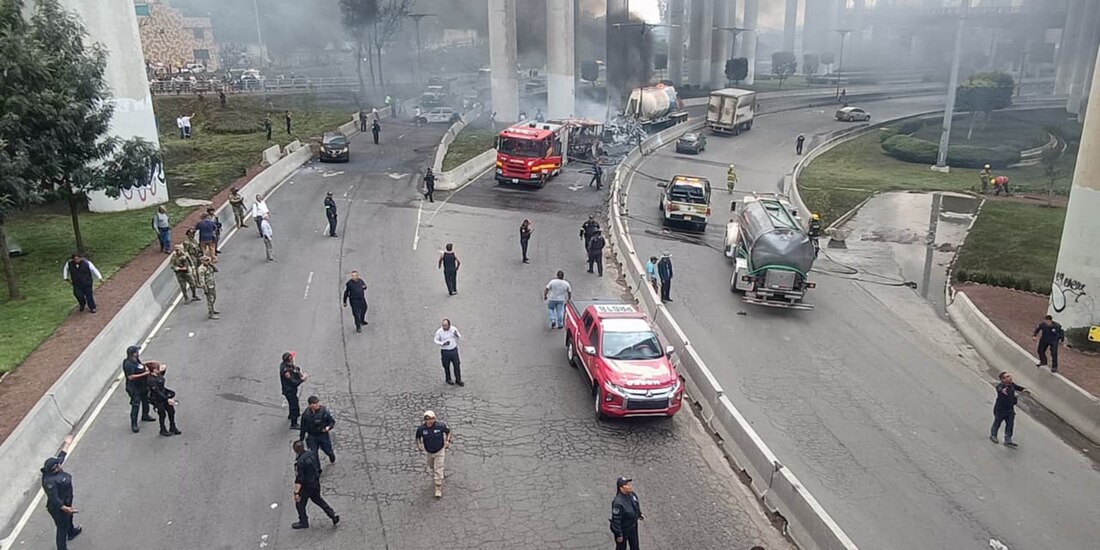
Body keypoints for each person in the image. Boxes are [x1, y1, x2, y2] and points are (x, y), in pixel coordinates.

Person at [41, 434, 82, 550]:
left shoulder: (53, 470)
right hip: (58, 508)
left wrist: (67, 444)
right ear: (55, 468)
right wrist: (65, 508)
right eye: (58, 465)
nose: (60, 465)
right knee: (61, 527)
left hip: (66, 501)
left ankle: (72, 532)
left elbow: (61, 456)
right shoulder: (49, 482)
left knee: (69, 518)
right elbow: (54, 498)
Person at [291, 440, 339, 530]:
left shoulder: (300, 462)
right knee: (319, 500)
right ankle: (332, 514)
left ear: (295, 450)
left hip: (306, 487)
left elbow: (300, 479)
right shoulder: (310, 454)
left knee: (299, 504)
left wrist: (296, 492)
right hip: (315, 483)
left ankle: (303, 521)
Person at [416, 410, 453, 499]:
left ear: (434, 419)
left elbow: (448, 432)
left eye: (431, 419)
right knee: (431, 465)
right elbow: (417, 438)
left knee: (438, 468)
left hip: (439, 450)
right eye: (427, 419)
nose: (429, 421)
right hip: (429, 451)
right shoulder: (421, 429)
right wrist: (419, 445)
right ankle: (436, 473)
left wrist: (447, 441)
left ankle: (438, 487)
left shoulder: (440, 426)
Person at [990, 371, 1029, 447]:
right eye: (1007, 377)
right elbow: (999, 389)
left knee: (1010, 424)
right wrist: (1002, 391)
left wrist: (1024, 389)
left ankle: (1008, 439)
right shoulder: (1000, 386)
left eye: (1010, 376)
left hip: (1010, 409)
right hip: (1000, 409)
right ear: (1003, 379)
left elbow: (1018, 387)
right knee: (997, 422)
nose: (1010, 378)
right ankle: (993, 435)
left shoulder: (1012, 385)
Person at [122, 345, 156, 433]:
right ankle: (134, 424)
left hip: (143, 385)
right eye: (137, 351)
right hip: (134, 388)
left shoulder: (136, 360)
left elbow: (140, 365)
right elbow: (131, 377)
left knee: (145, 401)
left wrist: (147, 364)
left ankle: (145, 415)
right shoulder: (128, 364)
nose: (138, 353)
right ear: (133, 354)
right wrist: (144, 374)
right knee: (136, 405)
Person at [145, 362, 181, 436]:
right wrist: (167, 399)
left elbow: (162, 388)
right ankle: (162, 429)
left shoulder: (158, 375)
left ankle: (172, 426)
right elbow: (157, 391)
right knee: (162, 414)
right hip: (157, 399)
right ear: (154, 370)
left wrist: (169, 392)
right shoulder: (151, 380)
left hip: (163, 396)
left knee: (171, 411)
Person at [300, 396, 337, 463]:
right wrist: (301, 439)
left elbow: (331, 421)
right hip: (312, 436)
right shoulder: (306, 415)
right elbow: (303, 427)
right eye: (315, 403)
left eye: (317, 403)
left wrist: (328, 427)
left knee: (327, 449)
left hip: (322, 435)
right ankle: (317, 470)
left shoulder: (323, 412)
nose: (317, 405)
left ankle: (331, 455)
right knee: (313, 454)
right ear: (310, 405)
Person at [610, 477, 643, 550]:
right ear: (621, 488)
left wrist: (639, 514)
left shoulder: (632, 495)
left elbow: (636, 505)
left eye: (629, 484)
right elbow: (616, 520)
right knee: (621, 548)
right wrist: (619, 534)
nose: (630, 486)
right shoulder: (618, 503)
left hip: (633, 526)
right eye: (627, 485)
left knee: (635, 546)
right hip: (624, 529)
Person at [280, 352, 307, 429]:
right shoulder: (286, 371)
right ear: (290, 359)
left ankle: (291, 415)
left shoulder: (285, 365)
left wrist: (298, 371)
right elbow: (293, 383)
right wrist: (302, 379)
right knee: (294, 405)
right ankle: (294, 423)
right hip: (289, 390)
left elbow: (294, 369)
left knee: (292, 403)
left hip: (290, 390)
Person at [434, 318, 463, 386]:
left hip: (453, 350)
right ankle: (448, 379)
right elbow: (435, 340)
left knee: (457, 365)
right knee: (446, 366)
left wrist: (456, 335)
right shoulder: (439, 331)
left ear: (449, 325)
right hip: (445, 351)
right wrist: (442, 343)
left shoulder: (453, 329)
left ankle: (458, 380)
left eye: (446, 325)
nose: (444, 327)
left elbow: (459, 336)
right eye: (443, 325)